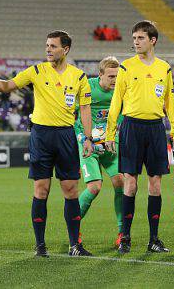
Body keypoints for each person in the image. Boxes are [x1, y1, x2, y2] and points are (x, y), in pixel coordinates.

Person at [0, 30, 94, 257]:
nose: (48, 49)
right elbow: (8, 86)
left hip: (66, 135)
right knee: (41, 189)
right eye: (47, 45)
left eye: (53, 46)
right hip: (41, 136)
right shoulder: (36, 70)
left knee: (70, 189)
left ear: (65, 49)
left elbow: (84, 109)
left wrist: (88, 138)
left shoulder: (79, 77)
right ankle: (40, 246)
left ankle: (75, 244)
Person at [105, 20, 174, 254]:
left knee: (155, 184)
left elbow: (170, 102)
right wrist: (110, 133)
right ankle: (125, 237)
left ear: (152, 41)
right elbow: (116, 101)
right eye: (134, 38)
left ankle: (154, 239)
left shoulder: (164, 69)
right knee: (130, 182)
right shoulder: (126, 68)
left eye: (140, 38)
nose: (136, 42)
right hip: (131, 127)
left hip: (156, 129)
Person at [74, 56, 124, 246]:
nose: (114, 80)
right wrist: (81, 138)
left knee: (121, 182)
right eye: (111, 76)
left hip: (110, 143)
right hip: (88, 145)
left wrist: (114, 134)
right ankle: (74, 228)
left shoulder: (120, 89)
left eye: (117, 76)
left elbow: (121, 114)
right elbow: (73, 116)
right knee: (94, 188)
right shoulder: (87, 87)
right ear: (100, 75)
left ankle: (122, 232)